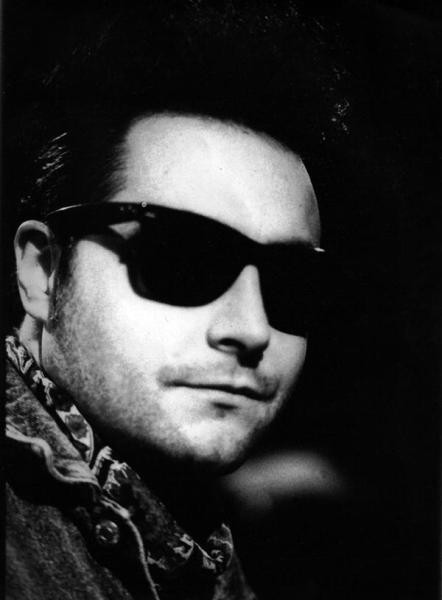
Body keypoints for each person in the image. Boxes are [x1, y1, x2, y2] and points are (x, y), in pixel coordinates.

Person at [5, 2, 346, 599]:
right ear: (44, 272)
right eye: (182, 260)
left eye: (291, 283)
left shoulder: (205, 545)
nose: (252, 329)